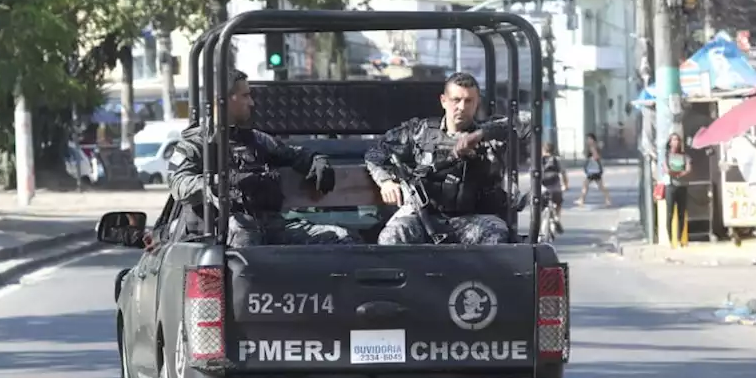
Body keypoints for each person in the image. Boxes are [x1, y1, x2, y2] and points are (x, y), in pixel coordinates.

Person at [165, 70, 354, 247]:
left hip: (270, 229)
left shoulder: (256, 139)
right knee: (244, 232)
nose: (252, 103)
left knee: (341, 238)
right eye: (245, 96)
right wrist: (218, 182)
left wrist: (315, 159)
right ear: (222, 100)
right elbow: (178, 182)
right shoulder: (196, 144)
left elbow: (292, 153)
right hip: (223, 235)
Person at [364, 72, 513, 246]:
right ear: (444, 101)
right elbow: (375, 153)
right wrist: (386, 181)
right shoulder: (419, 132)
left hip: (468, 220)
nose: (462, 107)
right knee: (392, 236)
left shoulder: (490, 135)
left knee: (496, 234)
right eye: (456, 100)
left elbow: (525, 123)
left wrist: (478, 136)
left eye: (469, 101)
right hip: (423, 217)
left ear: (477, 102)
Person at [663, 132, 691, 247]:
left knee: (681, 214)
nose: (676, 142)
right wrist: (676, 172)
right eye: (674, 140)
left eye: (678, 140)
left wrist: (680, 173)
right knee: (669, 213)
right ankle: (670, 240)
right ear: (670, 143)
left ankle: (680, 240)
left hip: (682, 186)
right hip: (671, 186)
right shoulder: (667, 156)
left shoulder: (685, 156)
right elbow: (666, 169)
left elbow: (688, 169)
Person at [576, 132, 612, 207]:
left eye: (589, 139)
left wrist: (591, 157)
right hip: (594, 170)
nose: (587, 140)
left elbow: (596, 157)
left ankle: (581, 200)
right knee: (599, 186)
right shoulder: (594, 146)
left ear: (592, 139)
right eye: (587, 139)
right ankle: (607, 200)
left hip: (593, 170)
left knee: (587, 185)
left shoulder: (593, 147)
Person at [541, 142, 567, 233]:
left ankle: (542, 222)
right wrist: (566, 185)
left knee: (538, 206)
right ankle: (556, 218)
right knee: (558, 203)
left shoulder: (539, 160)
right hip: (555, 188)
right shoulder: (557, 160)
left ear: (543, 150)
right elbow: (563, 173)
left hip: (543, 188)